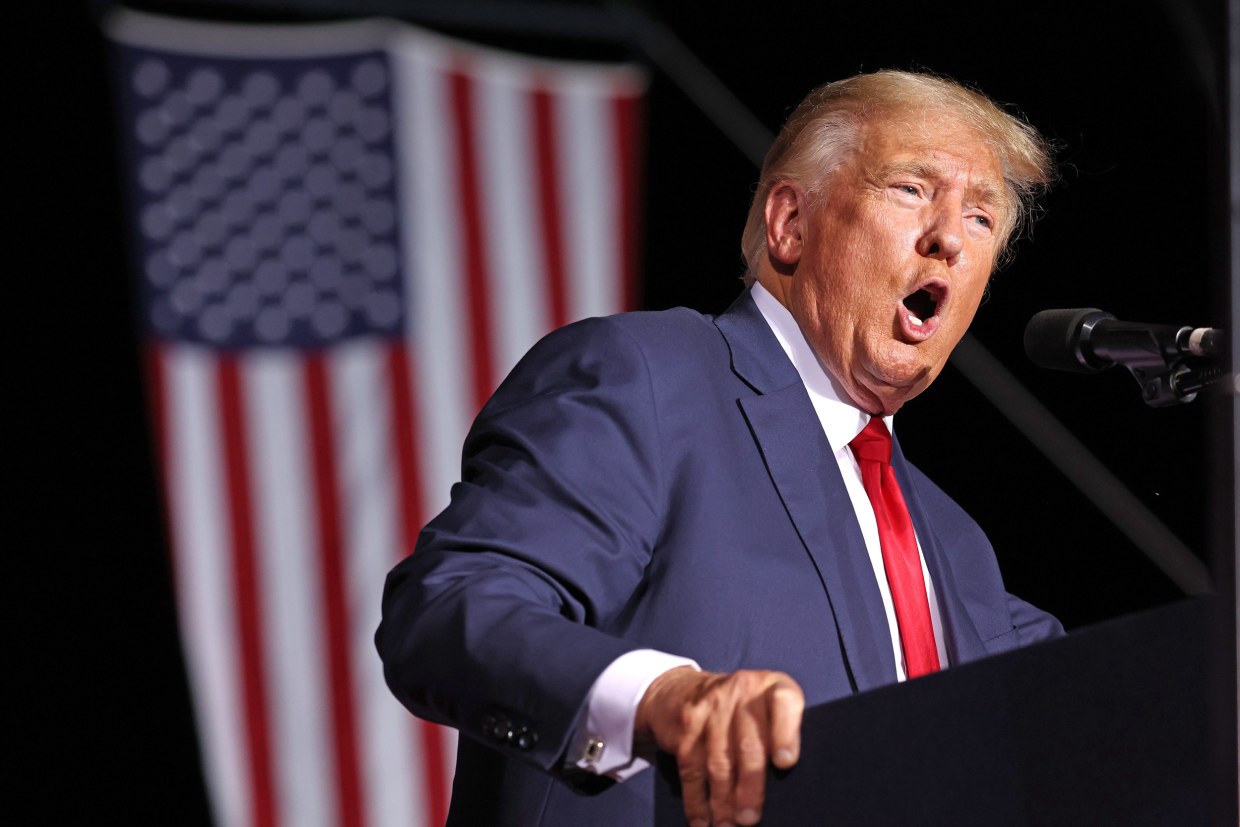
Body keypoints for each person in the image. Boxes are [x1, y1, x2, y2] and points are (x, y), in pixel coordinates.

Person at [376, 69, 1065, 826]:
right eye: (910, 189)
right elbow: (451, 607)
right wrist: (662, 695)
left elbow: (1086, 721)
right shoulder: (648, 378)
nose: (948, 241)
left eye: (980, 219)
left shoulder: (957, 548)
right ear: (789, 224)